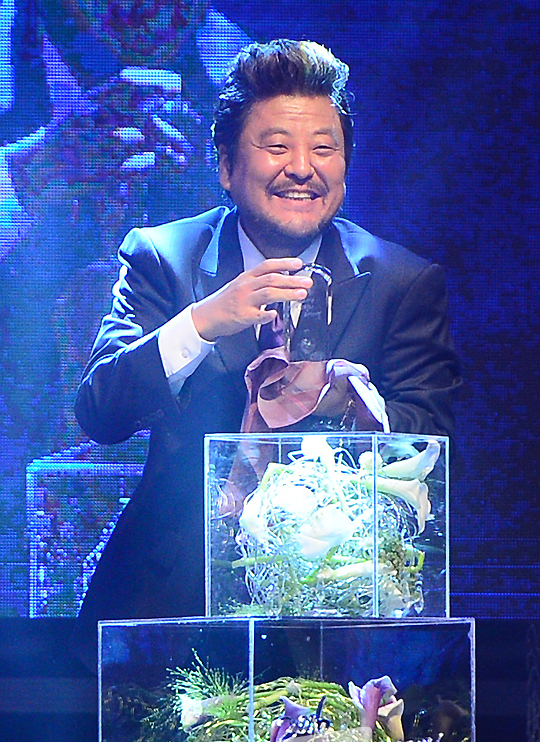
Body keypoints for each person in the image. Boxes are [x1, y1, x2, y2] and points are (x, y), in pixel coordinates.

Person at [72, 39, 461, 667]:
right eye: (277, 147)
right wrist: (202, 322)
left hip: (340, 617)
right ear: (227, 166)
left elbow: (432, 441)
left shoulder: (402, 281)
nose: (302, 168)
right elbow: (100, 411)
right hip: (169, 613)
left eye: (323, 148)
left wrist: (349, 405)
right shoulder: (161, 258)